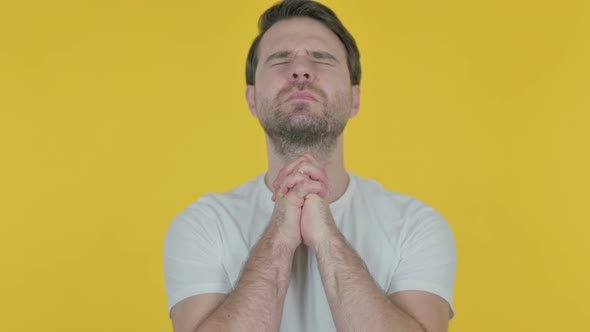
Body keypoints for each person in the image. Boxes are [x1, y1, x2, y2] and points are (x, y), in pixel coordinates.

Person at [164, 0, 457, 331]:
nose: (300, 70)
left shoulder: (415, 226)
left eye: (321, 58)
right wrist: (278, 239)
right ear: (251, 99)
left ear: (355, 98)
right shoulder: (204, 225)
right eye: (280, 59)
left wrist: (327, 239)